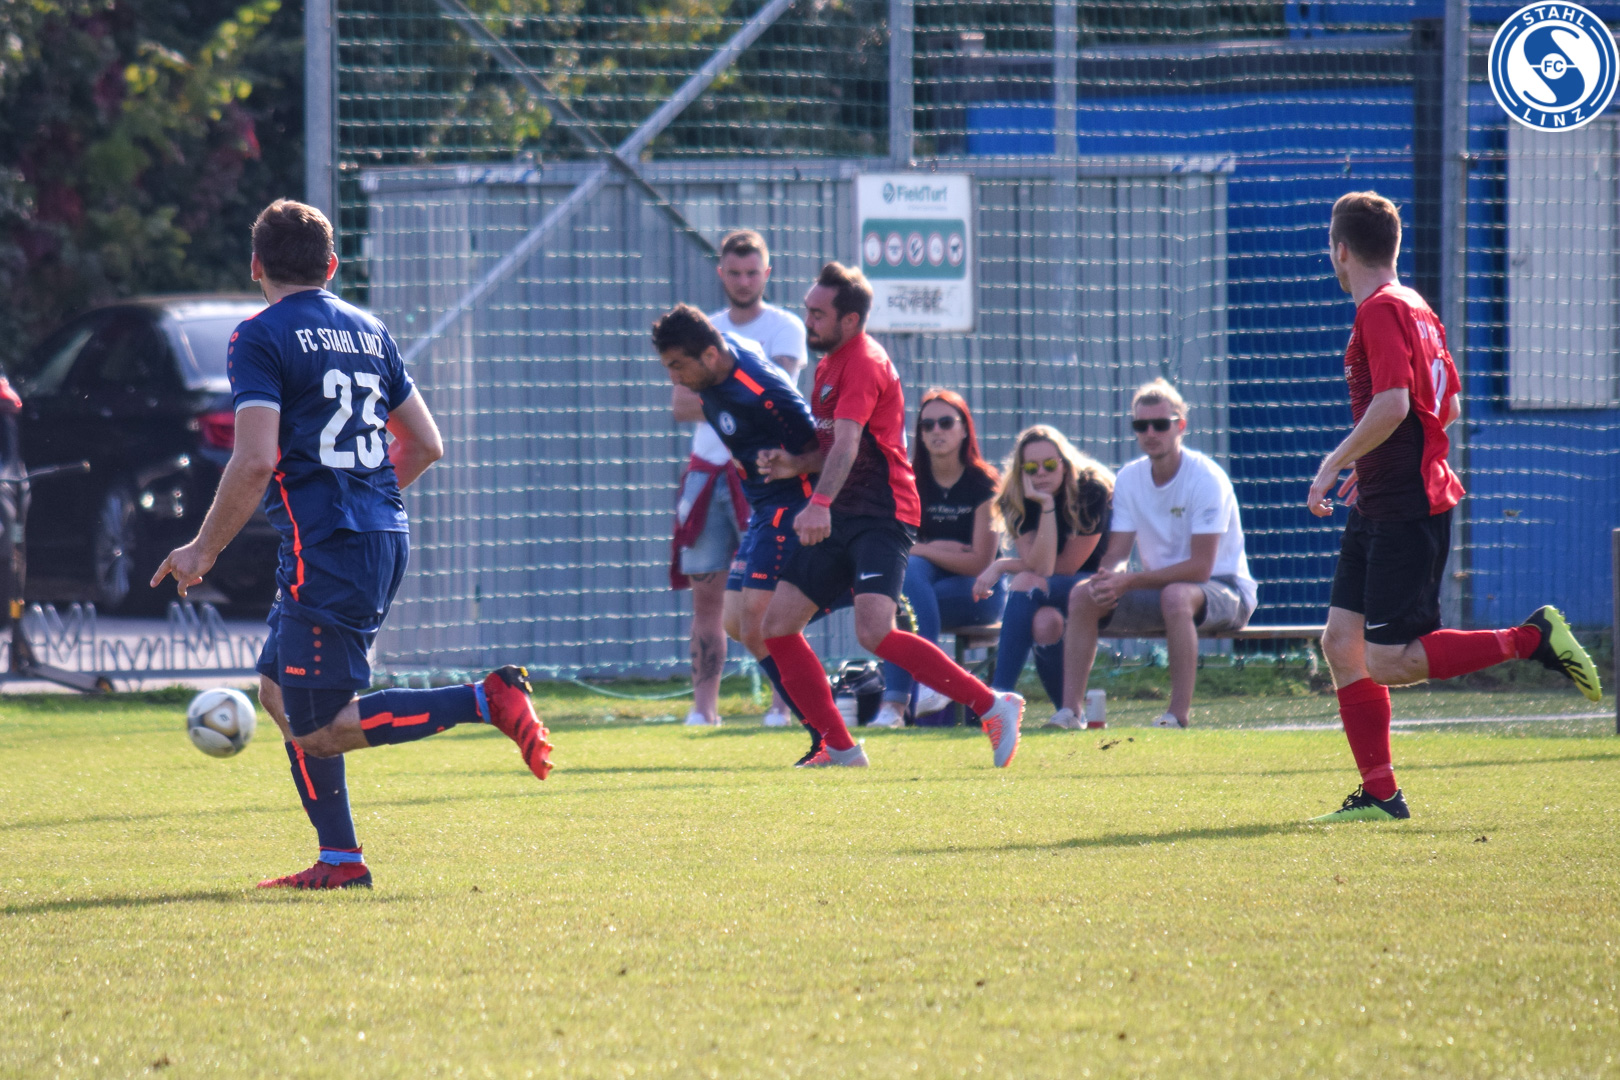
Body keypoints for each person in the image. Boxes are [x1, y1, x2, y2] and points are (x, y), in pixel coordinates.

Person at [150, 199, 553, 890]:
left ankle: (485, 699)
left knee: (318, 729)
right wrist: (362, 498)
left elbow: (255, 459)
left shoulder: (260, 336)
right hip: (374, 534)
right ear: (332, 265)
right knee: (279, 694)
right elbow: (425, 444)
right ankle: (340, 860)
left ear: (256, 265)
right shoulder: (370, 331)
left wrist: (203, 550)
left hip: (328, 549)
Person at [1305, 190, 1601, 822]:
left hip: (1407, 505)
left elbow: (1394, 404)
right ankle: (1380, 794)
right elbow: (1449, 406)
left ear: (1341, 250)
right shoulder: (1416, 307)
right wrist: (1371, 462)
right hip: (1385, 498)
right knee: (1342, 642)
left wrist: (1335, 462)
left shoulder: (1380, 311)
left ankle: (1531, 639)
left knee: (1388, 660)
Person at [755, 262, 1025, 768]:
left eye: (818, 313)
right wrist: (795, 464)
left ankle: (992, 705)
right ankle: (839, 747)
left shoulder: (863, 361)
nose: (808, 320)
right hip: (844, 512)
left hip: (882, 514)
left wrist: (817, 503)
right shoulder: (829, 364)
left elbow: (850, 444)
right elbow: (836, 448)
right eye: (807, 310)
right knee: (778, 625)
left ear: (850, 320)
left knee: (874, 632)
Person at [652, 302, 833, 765]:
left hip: (792, 505)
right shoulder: (715, 366)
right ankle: (825, 732)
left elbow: (827, 451)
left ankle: (830, 734)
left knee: (764, 621)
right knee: (738, 623)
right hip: (763, 505)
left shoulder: (765, 392)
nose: (674, 379)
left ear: (710, 356)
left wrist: (795, 465)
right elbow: (685, 407)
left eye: (678, 366)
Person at [669, 229, 808, 727]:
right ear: (721, 273)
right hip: (707, 473)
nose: (744, 281)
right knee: (706, 597)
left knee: (772, 595)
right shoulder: (703, 331)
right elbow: (681, 404)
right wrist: (733, 393)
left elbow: (778, 392)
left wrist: (716, 394)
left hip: (765, 475)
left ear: (767, 273)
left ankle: (785, 704)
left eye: (752, 272)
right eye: (734, 272)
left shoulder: (786, 326)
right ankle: (703, 709)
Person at [1060, 379, 1257, 730]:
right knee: (1082, 595)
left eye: (1161, 424)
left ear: (1181, 426)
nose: (1150, 433)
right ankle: (1070, 713)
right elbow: (1117, 552)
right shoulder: (1129, 478)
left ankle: (1176, 716)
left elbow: (1200, 569)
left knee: (1176, 596)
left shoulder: (1207, 478)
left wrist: (1130, 580)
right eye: (1141, 425)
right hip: (1162, 591)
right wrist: (1109, 578)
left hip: (1226, 590)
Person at [870, 390, 1004, 728]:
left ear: (964, 429)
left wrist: (924, 548)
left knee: (901, 600)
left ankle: (900, 701)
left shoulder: (984, 483)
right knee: (908, 582)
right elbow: (896, 547)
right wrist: (939, 550)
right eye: (927, 425)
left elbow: (979, 563)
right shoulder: (909, 480)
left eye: (946, 422)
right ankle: (906, 700)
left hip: (978, 592)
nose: (936, 431)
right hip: (924, 587)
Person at [973, 426, 1113, 721]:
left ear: (1064, 463)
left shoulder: (1091, 489)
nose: (1041, 474)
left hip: (1099, 588)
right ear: (1021, 471)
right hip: (1050, 591)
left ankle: (997, 699)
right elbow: (1039, 565)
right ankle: (1068, 714)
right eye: (1031, 468)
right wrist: (1044, 505)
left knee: (1026, 581)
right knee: (1045, 622)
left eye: (1049, 465)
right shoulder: (1017, 497)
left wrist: (1002, 565)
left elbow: (1062, 568)